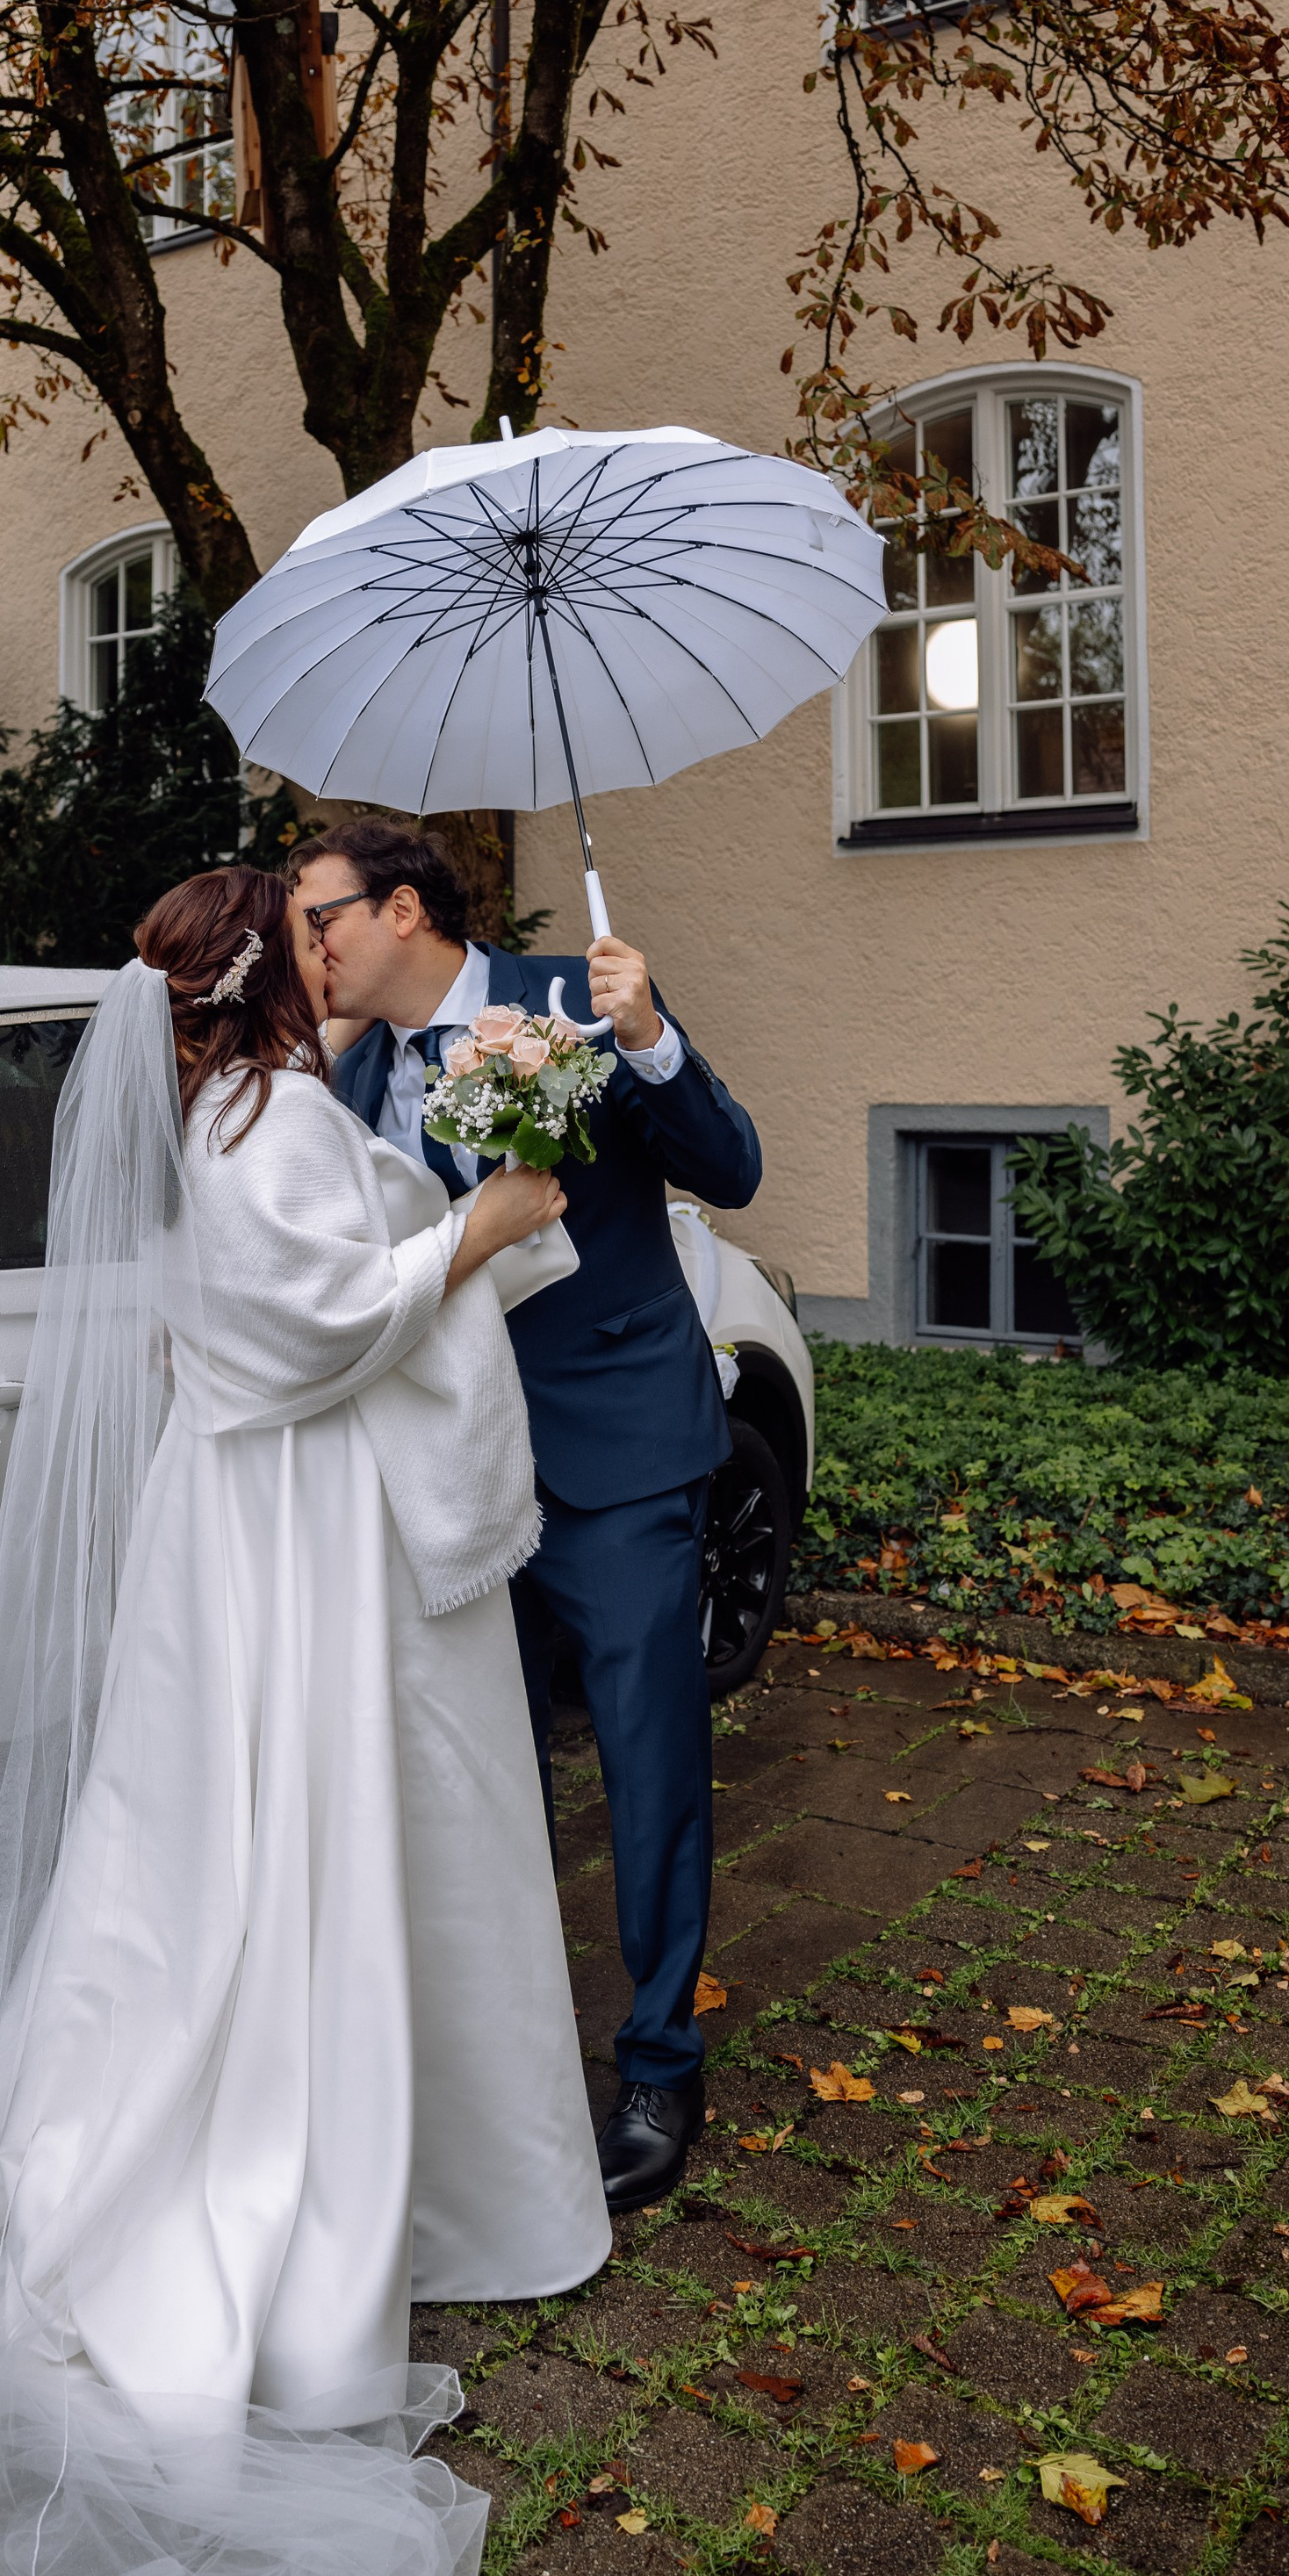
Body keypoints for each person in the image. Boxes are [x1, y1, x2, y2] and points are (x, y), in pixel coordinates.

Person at [0, 864, 608, 2576]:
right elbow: (311, 1327)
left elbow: (278, 1304)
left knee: (205, 1846)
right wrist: (480, 1226)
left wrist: (486, 1191)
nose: (335, 946)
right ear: (267, 970)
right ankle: (255, 2199)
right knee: (270, 1843)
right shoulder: (264, 1121)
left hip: (236, 1514)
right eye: (309, 932)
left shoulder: (228, 1111)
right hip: (279, 1528)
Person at [292, 818, 763, 2217]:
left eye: (319, 919)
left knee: (647, 1761)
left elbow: (731, 1166)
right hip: (453, 1475)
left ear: (403, 909)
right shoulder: (353, 1072)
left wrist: (653, 1035)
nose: (306, 946)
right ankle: (503, 2062)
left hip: (617, 1454)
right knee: (477, 1775)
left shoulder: (578, 998)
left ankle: (662, 2064)